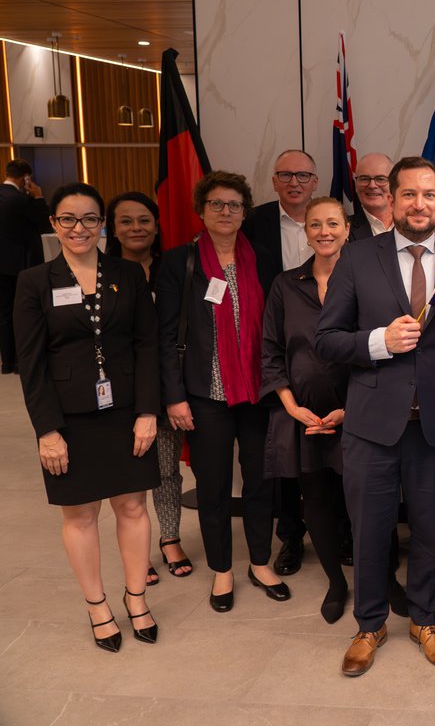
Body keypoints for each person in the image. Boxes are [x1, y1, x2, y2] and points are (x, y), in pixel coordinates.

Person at [315, 156, 435, 675]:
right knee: (370, 530)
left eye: (429, 195)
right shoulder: (357, 258)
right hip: (371, 426)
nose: (419, 204)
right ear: (390, 200)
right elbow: (325, 341)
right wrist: (378, 341)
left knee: (432, 530)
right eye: (408, 194)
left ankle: (425, 619)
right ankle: (368, 625)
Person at [14, 182, 161, 652]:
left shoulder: (128, 274)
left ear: (102, 225)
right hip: (69, 419)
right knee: (80, 516)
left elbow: (146, 345)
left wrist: (146, 412)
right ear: (54, 224)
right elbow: (31, 363)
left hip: (124, 414)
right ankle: (98, 605)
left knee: (133, 507)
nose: (80, 229)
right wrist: (47, 431)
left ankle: (136, 597)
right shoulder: (35, 281)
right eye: (69, 219)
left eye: (90, 219)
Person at [157, 171, 289, 613]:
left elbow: (277, 327)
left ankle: (259, 561)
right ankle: (222, 570)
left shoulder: (265, 259)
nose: (226, 212)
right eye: (217, 204)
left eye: (234, 205)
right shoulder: (180, 262)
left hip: (258, 393)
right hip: (204, 395)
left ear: (245, 211)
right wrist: (174, 397)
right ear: (201, 210)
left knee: (260, 483)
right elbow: (165, 336)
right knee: (212, 488)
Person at [261, 197, 353, 624]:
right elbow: (272, 350)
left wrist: (351, 410)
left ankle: (381, 581)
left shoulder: (366, 281)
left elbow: (379, 348)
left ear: (347, 229)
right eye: (315, 224)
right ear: (306, 232)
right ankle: (336, 581)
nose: (324, 232)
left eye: (333, 223)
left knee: (364, 501)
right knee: (315, 498)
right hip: (302, 415)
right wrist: (291, 407)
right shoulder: (285, 285)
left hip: (357, 413)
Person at [105, 192, 193, 585]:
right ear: (113, 228)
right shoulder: (101, 271)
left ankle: (170, 537)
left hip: (164, 384)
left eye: (144, 220)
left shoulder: (174, 269)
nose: (136, 228)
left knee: (165, 468)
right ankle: (136, 545)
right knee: (128, 470)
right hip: (117, 388)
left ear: (156, 226)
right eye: (126, 221)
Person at [245, 149, 320, 575]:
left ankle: (338, 531)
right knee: (286, 454)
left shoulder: (336, 220)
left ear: (315, 180)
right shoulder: (253, 223)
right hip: (277, 347)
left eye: (303, 175)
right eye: (286, 174)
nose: (295, 182)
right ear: (274, 180)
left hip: (326, 353)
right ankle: (290, 536)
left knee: (330, 450)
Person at [1, 158, 49, 374]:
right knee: (22, 314)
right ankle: (22, 361)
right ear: (25, 178)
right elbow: (44, 223)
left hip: (1, 266)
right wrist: (38, 196)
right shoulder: (22, 200)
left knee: (3, 314)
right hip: (21, 265)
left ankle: (7, 362)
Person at [348, 152, 395, 240]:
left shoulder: (412, 224)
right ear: (356, 184)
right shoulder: (342, 230)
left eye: (381, 179)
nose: (372, 185)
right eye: (364, 179)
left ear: (394, 183)